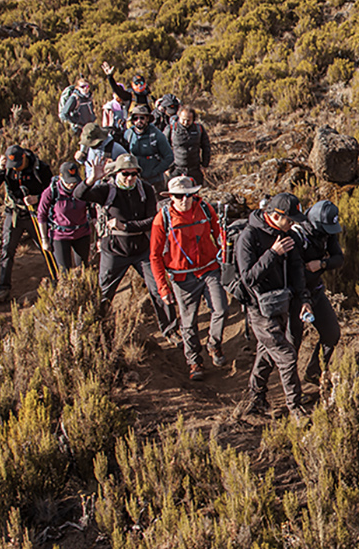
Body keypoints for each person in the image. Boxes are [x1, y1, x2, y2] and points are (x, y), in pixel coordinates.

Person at [74, 153, 178, 337]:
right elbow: (79, 194)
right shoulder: (107, 190)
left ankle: (171, 330)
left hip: (142, 249)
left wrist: (126, 226)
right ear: (117, 173)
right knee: (104, 293)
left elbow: (152, 221)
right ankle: (101, 334)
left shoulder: (145, 189)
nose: (130, 178)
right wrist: (91, 179)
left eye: (134, 173)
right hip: (114, 251)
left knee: (158, 288)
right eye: (125, 173)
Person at [236, 194, 311, 419]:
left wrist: (304, 299)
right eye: (290, 219)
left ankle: (255, 398)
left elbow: (297, 269)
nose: (293, 224)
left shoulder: (287, 234)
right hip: (259, 309)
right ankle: (295, 408)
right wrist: (273, 254)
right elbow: (248, 278)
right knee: (286, 355)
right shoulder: (249, 237)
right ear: (276, 216)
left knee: (266, 353)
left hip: (282, 304)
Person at [151, 175, 230, 381]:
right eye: (179, 196)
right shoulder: (162, 219)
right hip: (182, 277)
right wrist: (163, 287)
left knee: (221, 309)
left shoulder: (205, 209)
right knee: (188, 322)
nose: (185, 200)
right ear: (171, 197)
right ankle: (194, 361)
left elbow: (219, 235)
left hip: (209, 269)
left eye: (189, 195)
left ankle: (214, 344)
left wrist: (225, 256)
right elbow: (155, 256)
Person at [0, 145, 52, 304]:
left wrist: (37, 198)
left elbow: (52, 189)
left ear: (24, 158)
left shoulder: (39, 168)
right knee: (7, 250)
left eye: (17, 165)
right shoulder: (7, 169)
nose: (15, 168)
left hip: (34, 214)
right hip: (14, 213)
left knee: (47, 246)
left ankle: (58, 278)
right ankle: (3, 288)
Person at [292, 199, 345, 388]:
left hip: (315, 290)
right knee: (292, 343)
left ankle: (314, 372)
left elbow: (339, 258)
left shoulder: (327, 232)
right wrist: (303, 297)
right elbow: (295, 273)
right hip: (295, 296)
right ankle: (291, 391)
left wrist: (321, 264)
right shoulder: (296, 236)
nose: (330, 233)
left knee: (331, 333)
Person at [37, 158, 94, 275]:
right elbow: (41, 215)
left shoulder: (83, 190)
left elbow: (93, 211)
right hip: (60, 236)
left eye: (74, 181)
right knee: (64, 271)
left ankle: (83, 286)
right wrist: (44, 240)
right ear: (60, 177)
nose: (72, 184)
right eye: (68, 182)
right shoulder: (51, 192)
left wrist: (96, 236)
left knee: (83, 268)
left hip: (82, 233)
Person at [123, 104, 174, 187]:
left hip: (155, 181)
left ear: (147, 119)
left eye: (142, 118)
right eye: (135, 118)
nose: (139, 121)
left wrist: (156, 171)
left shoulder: (157, 135)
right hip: (135, 180)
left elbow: (169, 157)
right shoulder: (128, 134)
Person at [171, 106, 212, 183]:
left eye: (188, 120)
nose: (185, 122)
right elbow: (163, 148)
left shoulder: (199, 129)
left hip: (194, 169)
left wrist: (204, 165)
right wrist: (167, 168)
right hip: (176, 169)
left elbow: (206, 147)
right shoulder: (172, 129)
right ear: (179, 117)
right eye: (183, 120)